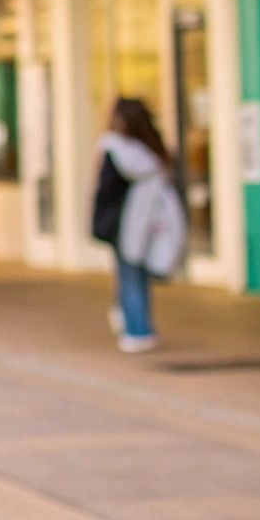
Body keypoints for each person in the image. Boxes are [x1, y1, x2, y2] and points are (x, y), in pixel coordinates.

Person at [91, 98, 187, 353]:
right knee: (138, 276)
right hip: (150, 223)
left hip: (125, 225)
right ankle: (141, 325)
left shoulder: (115, 151)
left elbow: (106, 192)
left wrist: (100, 223)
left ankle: (136, 329)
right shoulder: (153, 152)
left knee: (129, 276)